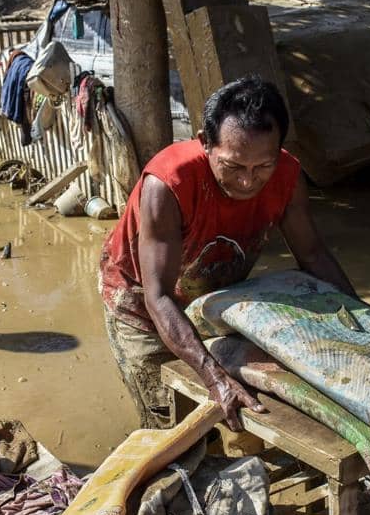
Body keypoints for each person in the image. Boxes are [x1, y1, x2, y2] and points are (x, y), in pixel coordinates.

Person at [100, 75, 355, 431]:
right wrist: (214, 376)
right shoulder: (168, 183)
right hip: (141, 299)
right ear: (205, 143)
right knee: (170, 421)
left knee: (243, 408)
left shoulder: (287, 176)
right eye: (234, 166)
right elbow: (157, 296)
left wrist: (362, 321)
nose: (248, 181)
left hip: (210, 290)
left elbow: (313, 255)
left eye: (262, 166)